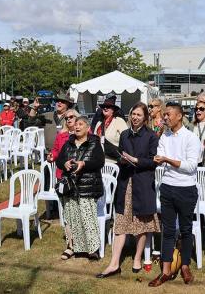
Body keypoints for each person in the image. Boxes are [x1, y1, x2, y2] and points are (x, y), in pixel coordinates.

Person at [97, 102, 160, 278]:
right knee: (121, 222)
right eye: (133, 114)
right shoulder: (124, 135)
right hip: (125, 181)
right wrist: (122, 160)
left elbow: (153, 161)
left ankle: (138, 258)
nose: (135, 117)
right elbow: (120, 154)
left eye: (139, 115)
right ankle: (114, 263)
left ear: (145, 118)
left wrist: (136, 160)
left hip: (143, 183)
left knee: (141, 223)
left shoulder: (152, 136)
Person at [148, 103, 202, 287]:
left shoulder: (191, 138)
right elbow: (161, 159)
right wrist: (159, 160)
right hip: (168, 188)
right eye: (164, 115)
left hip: (186, 189)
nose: (165, 118)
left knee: (186, 230)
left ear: (179, 116)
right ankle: (165, 271)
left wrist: (167, 160)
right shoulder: (164, 135)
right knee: (168, 230)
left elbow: (191, 166)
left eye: (168, 115)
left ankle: (185, 266)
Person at [55, 116, 105, 260]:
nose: (77, 127)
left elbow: (99, 162)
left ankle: (92, 249)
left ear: (87, 127)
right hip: (70, 186)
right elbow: (59, 160)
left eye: (80, 124)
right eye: (76, 125)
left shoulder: (94, 142)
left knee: (87, 218)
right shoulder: (68, 143)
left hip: (87, 186)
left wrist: (84, 164)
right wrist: (64, 163)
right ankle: (72, 247)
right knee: (71, 218)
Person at [94, 97, 128, 164]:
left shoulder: (119, 121)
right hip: (100, 161)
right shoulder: (99, 123)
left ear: (113, 110)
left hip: (115, 161)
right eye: (104, 107)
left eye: (108, 107)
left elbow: (127, 139)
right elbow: (94, 139)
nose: (105, 108)